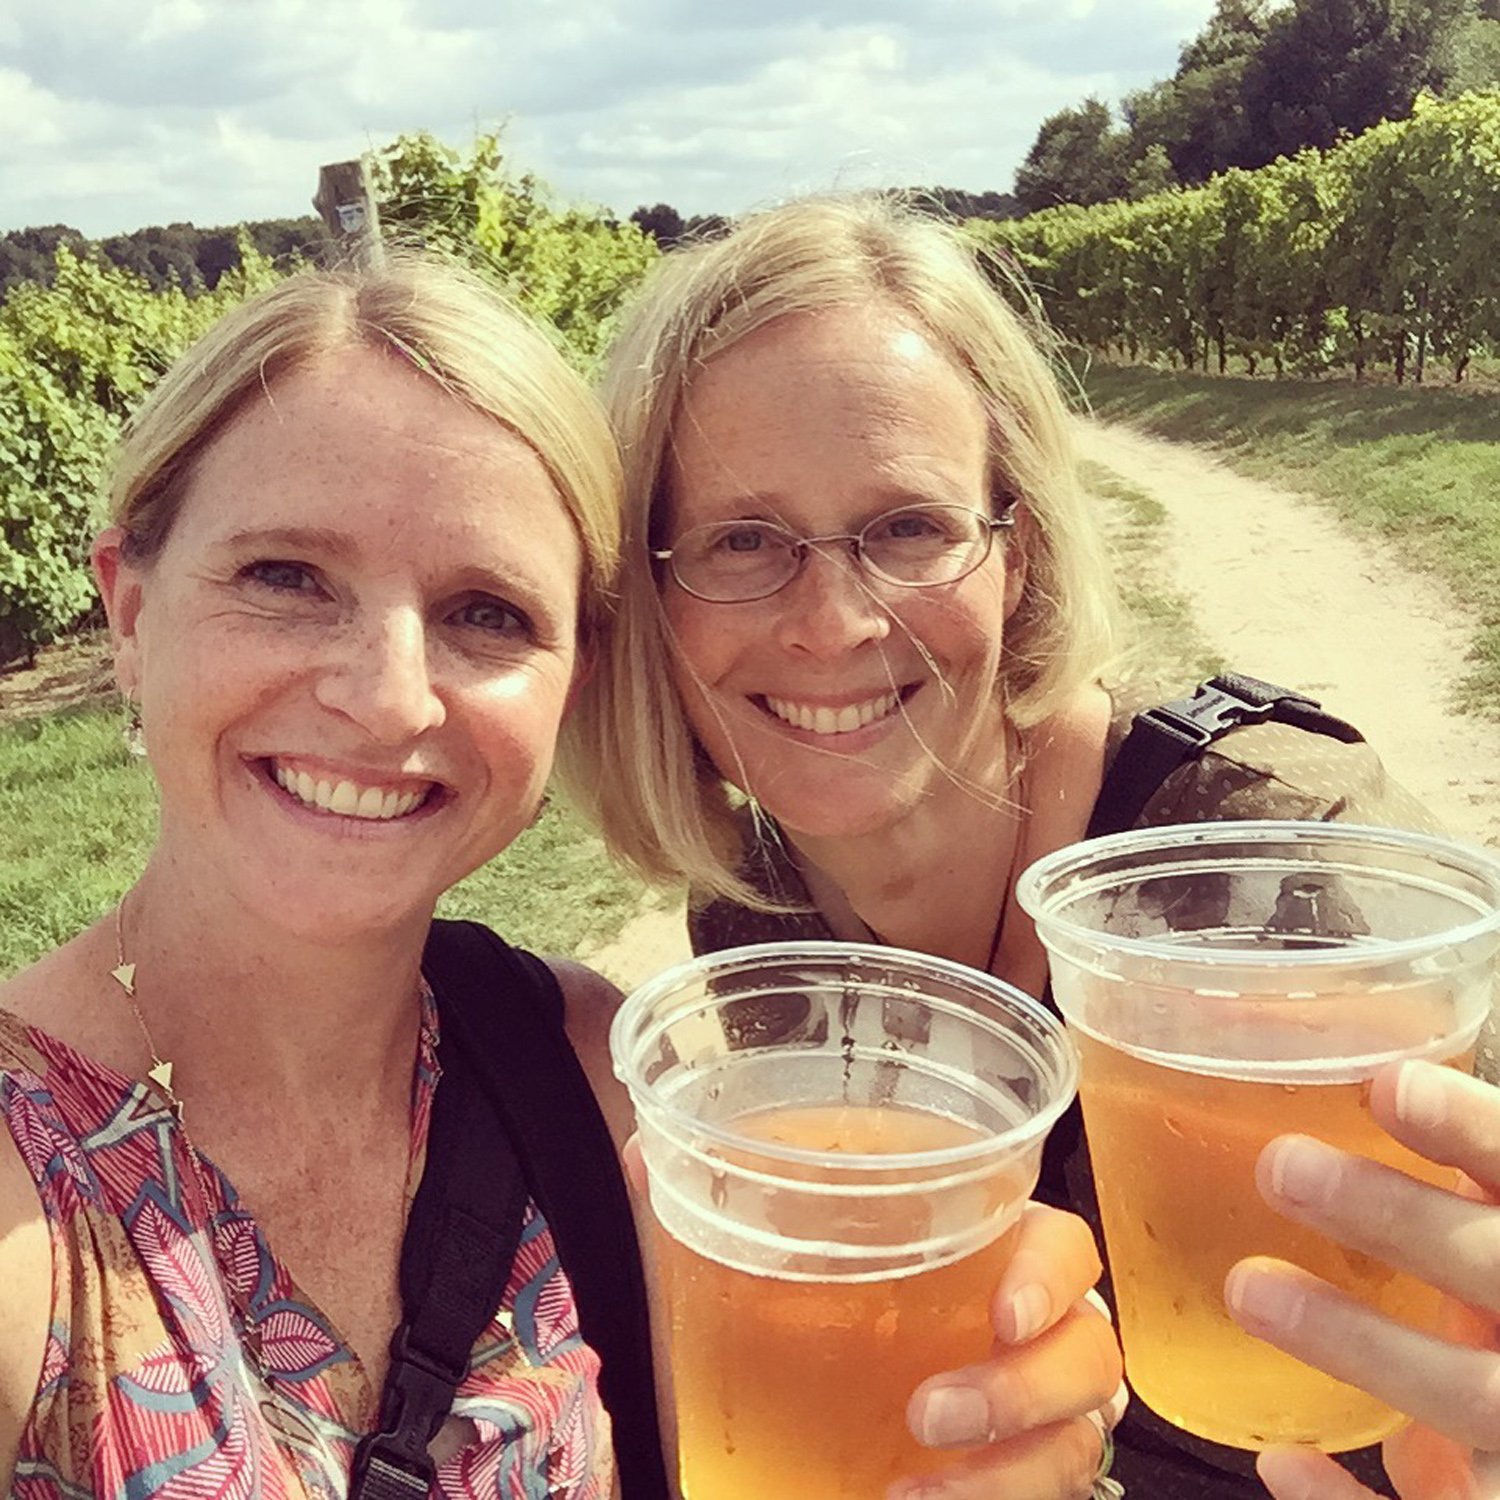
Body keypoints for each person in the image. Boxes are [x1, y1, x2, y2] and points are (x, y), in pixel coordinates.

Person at [0, 254, 1120, 1500]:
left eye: (487, 612)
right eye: (285, 578)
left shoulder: (603, 1080)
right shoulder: (26, 1204)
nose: (386, 697)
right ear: (131, 608)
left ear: (572, 680)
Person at [557, 193, 1492, 1499]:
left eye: (907, 526)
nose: (831, 621)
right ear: (650, 599)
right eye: (742, 541)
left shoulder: (1284, 850)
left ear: (1018, 550)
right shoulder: (761, 920)